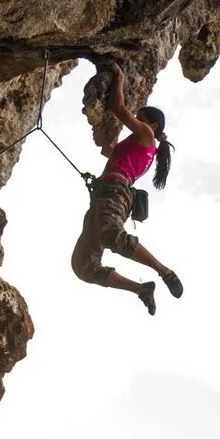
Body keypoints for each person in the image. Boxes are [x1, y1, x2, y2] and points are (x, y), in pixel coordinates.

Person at [69, 63, 184, 314]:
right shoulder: (135, 144)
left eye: (140, 118)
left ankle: (164, 271)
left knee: (112, 234)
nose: (136, 121)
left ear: (152, 125)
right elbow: (109, 151)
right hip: (105, 192)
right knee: (83, 266)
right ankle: (142, 290)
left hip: (116, 190)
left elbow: (118, 109)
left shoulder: (147, 136)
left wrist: (119, 76)